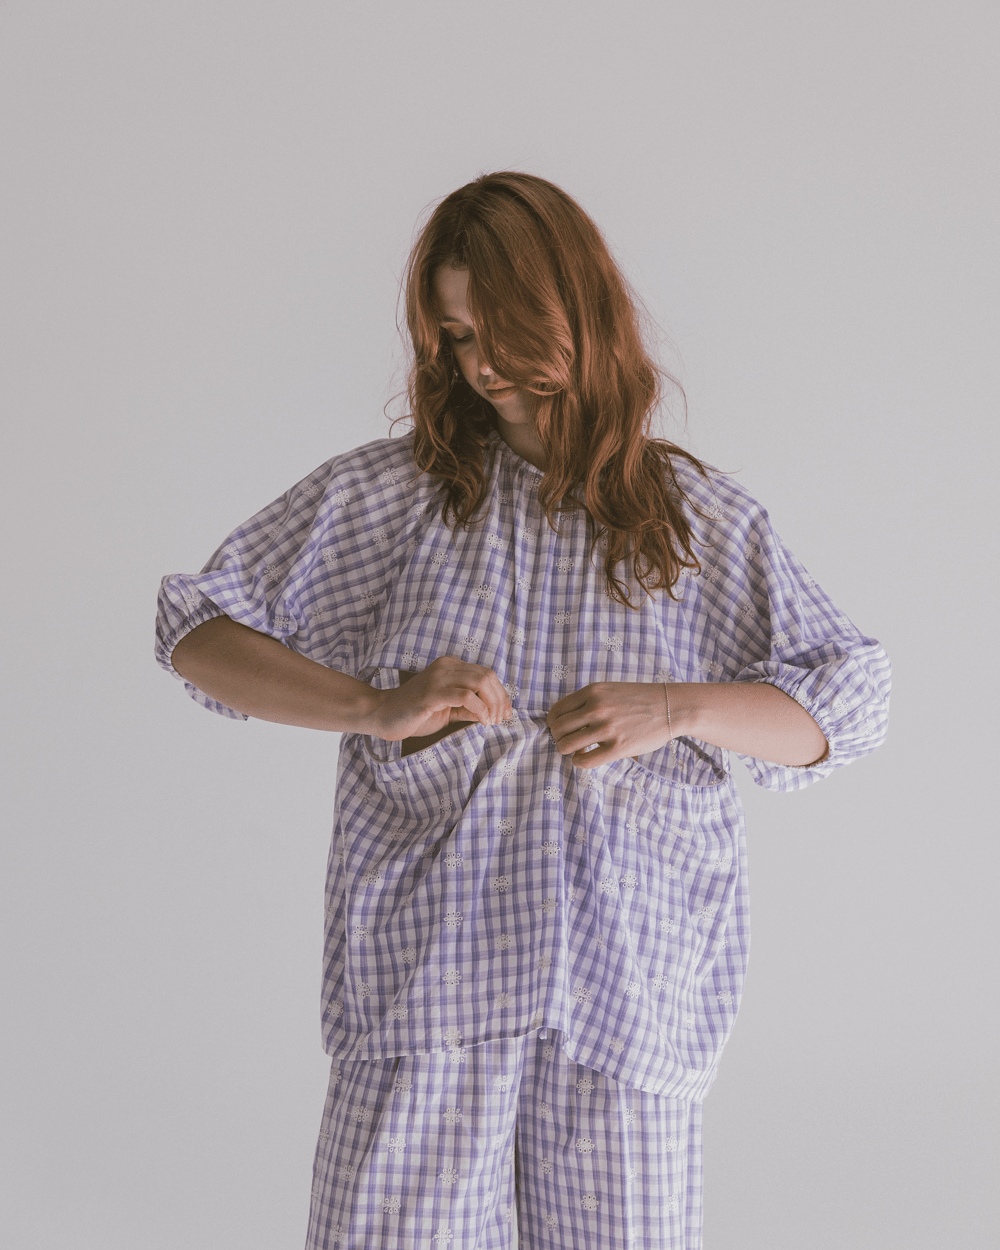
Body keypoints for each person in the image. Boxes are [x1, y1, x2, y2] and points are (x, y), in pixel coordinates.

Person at [155, 171, 891, 1250]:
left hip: (623, 1009)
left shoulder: (696, 525)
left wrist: (678, 706)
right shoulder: (391, 500)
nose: (481, 365)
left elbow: (850, 701)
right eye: (456, 338)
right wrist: (376, 704)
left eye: (498, 331)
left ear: (573, 312)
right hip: (425, 1000)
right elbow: (196, 630)